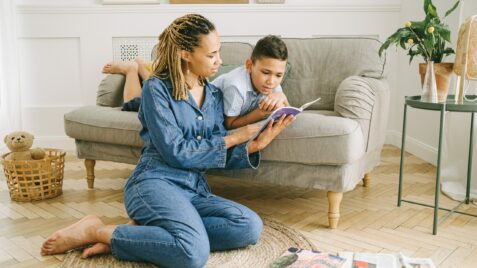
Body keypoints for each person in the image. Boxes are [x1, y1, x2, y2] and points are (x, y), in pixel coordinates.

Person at [40, 14, 294, 268]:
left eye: (219, 52)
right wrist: (236, 136)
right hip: (155, 182)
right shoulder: (156, 89)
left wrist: (254, 145)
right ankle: (96, 231)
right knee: (193, 253)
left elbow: (215, 155)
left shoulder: (215, 95)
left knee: (249, 227)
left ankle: (151, 234)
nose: (220, 60)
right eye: (211, 54)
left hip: (194, 190)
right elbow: (177, 152)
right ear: (186, 54)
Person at [212, 35, 289, 130]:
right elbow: (229, 125)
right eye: (265, 72)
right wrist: (260, 113)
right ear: (249, 66)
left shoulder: (271, 83)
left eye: (278, 75)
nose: (271, 82)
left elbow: (289, 115)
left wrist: (282, 96)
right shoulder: (235, 86)